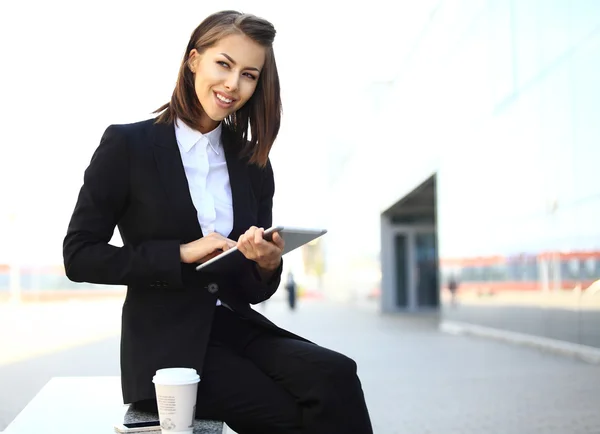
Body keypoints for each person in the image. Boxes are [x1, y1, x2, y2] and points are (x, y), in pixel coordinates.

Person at [63, 10, 372, 434]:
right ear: (194, 60)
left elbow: (252, 288)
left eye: (249, 74)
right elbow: (79, 256)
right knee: (294, 416)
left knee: (336, 373)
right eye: (223, 65)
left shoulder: (252, 163)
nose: (232, 85)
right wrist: (180, 254)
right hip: (169, 345)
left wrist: (265, 262)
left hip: (237, 326)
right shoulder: (128, 145)